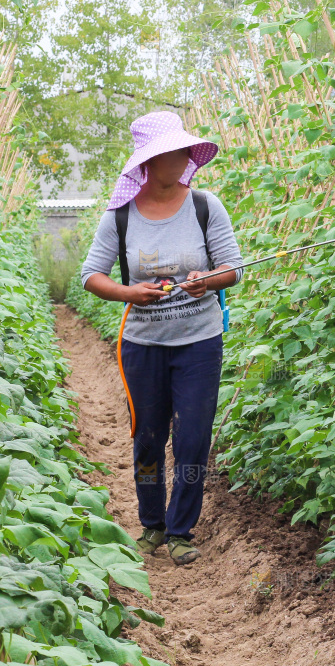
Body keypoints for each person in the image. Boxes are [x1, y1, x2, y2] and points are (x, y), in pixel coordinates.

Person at [80, 111, 244, 566]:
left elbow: (233, 268)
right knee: (148, 439)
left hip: (199, 343)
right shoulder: (120, 216)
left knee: (192, 439)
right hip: (142, 345)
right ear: (150, 161)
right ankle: (151, 524)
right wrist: (129, 293)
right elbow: (91, 275)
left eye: (186, 150)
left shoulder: (205, 206)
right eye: (174, 151)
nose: (185, 157)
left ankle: (180, 531)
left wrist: (206, 282)